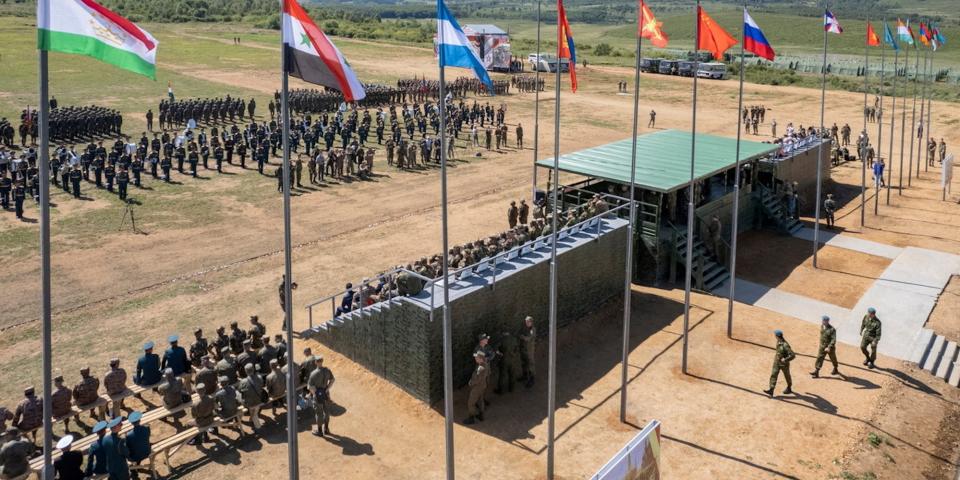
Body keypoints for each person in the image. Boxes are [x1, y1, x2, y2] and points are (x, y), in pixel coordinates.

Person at [307, 356, 335, 437]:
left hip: (318, 395)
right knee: (326, 411)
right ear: (322, 361)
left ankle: (319, 431)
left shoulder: (313, 373)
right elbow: (332, 380)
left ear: (315, 362)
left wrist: (315, 393)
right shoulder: (327, 370)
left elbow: (310, 387)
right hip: (326, 393)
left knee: (319, 413)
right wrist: (327, 389)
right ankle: (326, 429)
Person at [763, 330, 795, 397]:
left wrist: (785, 359)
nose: (774, 336)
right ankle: (771, 390)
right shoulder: (778, 341)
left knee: (787, 376)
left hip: (784, 364)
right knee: (773, 375)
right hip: (777, 363)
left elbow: (792, 355)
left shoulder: (785, 345)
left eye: (775, 335)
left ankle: (789, 387)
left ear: (777, 336)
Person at [463, 351, 489, 425]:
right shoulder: (485, 364)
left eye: (477, 358)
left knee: (471, 403)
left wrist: (471, 383)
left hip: (477, 387)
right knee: (480, 400)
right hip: (482, 386)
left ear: (481, 359)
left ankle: (471, 418)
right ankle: (481, 415)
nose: (475, 359)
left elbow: (477, 379)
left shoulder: (480, 368)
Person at [237, 364, 265, 430]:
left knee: (237, 394)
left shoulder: (243, 381)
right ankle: (252, 417)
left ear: (246, 371)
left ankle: (239, 419)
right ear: (253, 370)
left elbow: (239, 390)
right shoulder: (259, 377)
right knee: (254, 410)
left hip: (249, 403)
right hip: (259, 399)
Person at [518, 316, 536, 388]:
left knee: (530, 364)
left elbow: (528, 339)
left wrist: (522, 337)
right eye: (526, 321)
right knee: (524, 362)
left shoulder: (533, 330)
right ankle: (525, 375)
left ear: (531, 322)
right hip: (524, 349)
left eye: (528, 322)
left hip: (529, 350)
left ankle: (532, 379)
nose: (526, 323)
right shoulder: (525, 328)